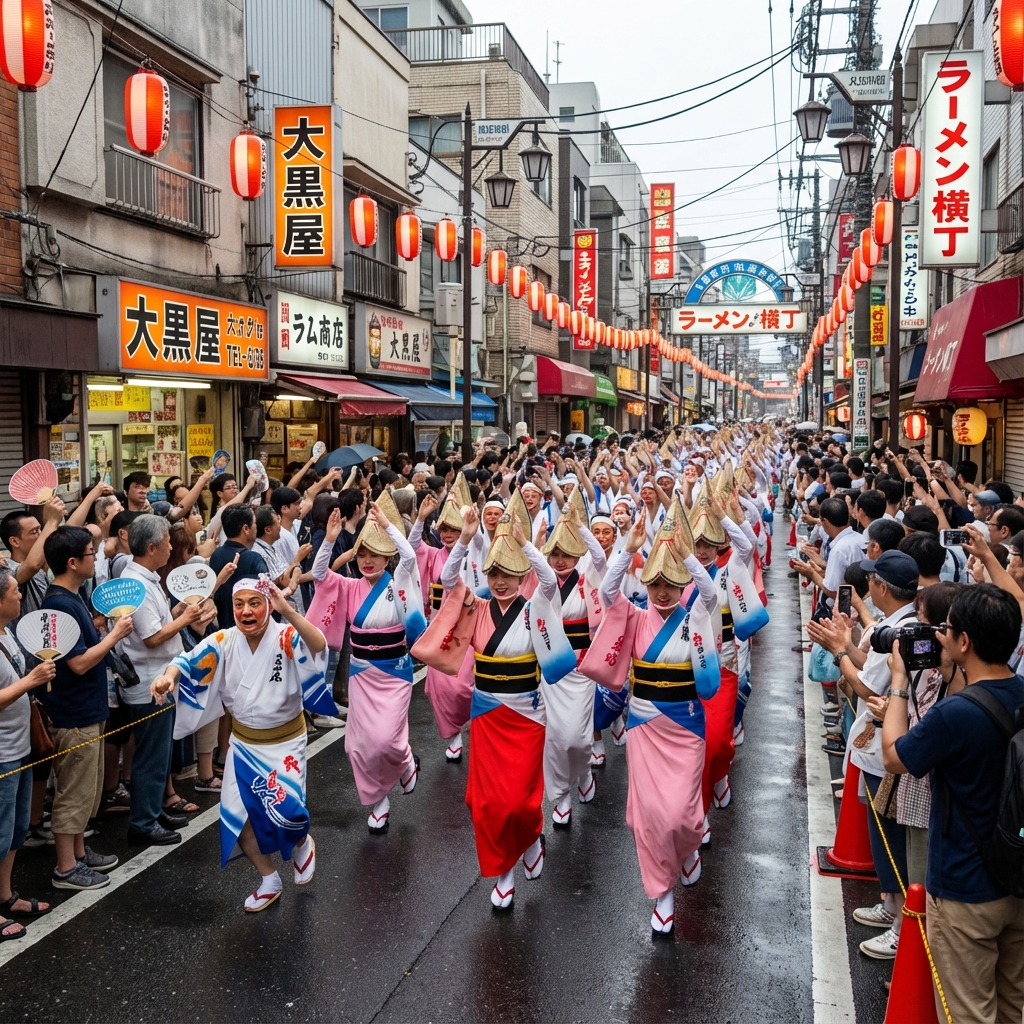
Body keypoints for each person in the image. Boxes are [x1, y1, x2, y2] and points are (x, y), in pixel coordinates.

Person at [412, 506, 575, 911]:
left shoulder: (537, 607)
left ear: (522, 578)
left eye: (509, 575)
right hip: (485, 714)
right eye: (494, 575)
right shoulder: (477, 607)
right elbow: (448, 579)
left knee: (519, 801)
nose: (500, 582)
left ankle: (531, 834)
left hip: (526, 715)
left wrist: (524, 543)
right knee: (485, 804)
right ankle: (504, 873)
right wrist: (465, 538)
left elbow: (552, 581)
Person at [151, 577, 336, 912]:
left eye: (255, 603)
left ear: (268, 605)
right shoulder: (223, 640)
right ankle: (268, 878)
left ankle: (300, 841)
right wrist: (168, 677)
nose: (246, 611)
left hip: (284, 743)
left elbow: (319, 644)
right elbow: (186, 661)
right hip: (244, 745)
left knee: (287, 812)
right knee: (236, 817)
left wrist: (288, 612)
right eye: (239, 604)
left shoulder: (285, 635)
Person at [883, 584, 1024, 1023]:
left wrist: (901, 683)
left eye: (946, 630)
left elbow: (895, 755)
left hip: (965, 887)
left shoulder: (954, 714)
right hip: (1017, 875)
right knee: (1011, 1007)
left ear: (964, 642)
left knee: (966, 1012)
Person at [581, 504, 720, 935]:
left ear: (683, 585)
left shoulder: (696, 616)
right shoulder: (635, 616)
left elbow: (711, 594)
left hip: (685, 726)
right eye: (655, 583)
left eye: (671, 584)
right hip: (643, 724)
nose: (662, 591)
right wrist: (630, 548)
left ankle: (690, 845)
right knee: (647, 816)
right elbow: (607, 594)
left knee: (682, 815)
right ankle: (662, 893)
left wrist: (687, 555)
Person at [306, 496, 426, 833]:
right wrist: (329, 539)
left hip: (393, 671)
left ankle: (405, 763)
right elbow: (318, 574)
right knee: (359, 745)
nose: (367, 561)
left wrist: (388, 526)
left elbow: (411, 555)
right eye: (362, 554)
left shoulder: (398, 582)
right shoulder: (348, 586)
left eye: (374, 554)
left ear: (387, 557)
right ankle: (378, 801)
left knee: (386, 740)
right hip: (361, 672)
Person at [39, 526, 132, 890]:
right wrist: (113, 635)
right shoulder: (59, 603)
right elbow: (76, 664)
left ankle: (79, 851)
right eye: (92, 553)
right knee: (74, 792)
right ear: (73, 562)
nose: (97, 558)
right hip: (73, 712)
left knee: (87, 790)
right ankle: (66, 867)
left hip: (87, 709)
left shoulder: (72, 597)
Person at [118, 515, 217, 845]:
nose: (171, 547)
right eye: (166, 542)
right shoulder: (137, 583)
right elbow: (152, 638)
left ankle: (153, 810)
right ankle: (143, 822)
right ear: (151, 548)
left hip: (158, 679)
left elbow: (158, 626)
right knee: (151, 756)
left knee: (158, 754)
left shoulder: (144, 578)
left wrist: (176, 615)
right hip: (151, 683)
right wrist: (185, 618)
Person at [0, 567, 56, 937]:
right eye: (14, 591)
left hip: (19, 745)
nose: (21, 595)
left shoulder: (7, 632)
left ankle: (5, 896)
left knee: (16, 830)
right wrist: (30, 681)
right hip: (1, 754)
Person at [408, 484, 475, 760]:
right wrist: (421, 518)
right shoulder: (434, 554)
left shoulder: (475, 553)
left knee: (463, 685)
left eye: (454, 529)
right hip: (440, 629)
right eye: (444, 529)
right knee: (441, 687)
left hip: (471, 625)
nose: (447, 534)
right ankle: (455, 733)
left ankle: (473, 721)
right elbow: (411, 548)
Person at [209, 506, 269, 630]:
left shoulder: (216, 554)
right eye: (255, 524)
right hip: (249, 629)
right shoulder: (254, 558)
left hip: (223, 630)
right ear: (246, 529)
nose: (256, 529)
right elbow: (266, 597)